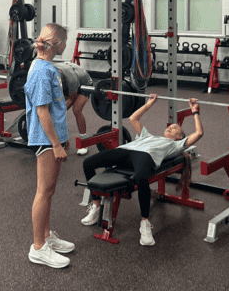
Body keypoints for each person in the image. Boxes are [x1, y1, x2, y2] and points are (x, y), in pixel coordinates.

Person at [80, 94, 202, 246]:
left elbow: (199, 133)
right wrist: (149, 103)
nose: (171, 126)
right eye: (170, 126)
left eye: (175, 128)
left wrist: (195, 111)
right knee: (88, 163)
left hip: (145, 156)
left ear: (179, 137)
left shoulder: (175, 145)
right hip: (126, 150)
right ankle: (96, 206)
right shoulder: (147, 135)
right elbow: (133, 118)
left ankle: (144, 222)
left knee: (141, 177)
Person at [25, 23, 75, 269]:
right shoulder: (41, 71)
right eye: (65, 41)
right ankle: (38, 247)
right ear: (57, 44)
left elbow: (54, 106)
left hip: (53, 137)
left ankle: (46, 236)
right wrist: (56, 144)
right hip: (46, 139)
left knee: (49, 190)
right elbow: (42, 111)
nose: (67, 44)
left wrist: (61, 137)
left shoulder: (48, 67)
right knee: (43, 191)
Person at [54, 62, 93, 155]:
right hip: (68, 83)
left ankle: (84, 141)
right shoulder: (51, 72)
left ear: (62, 80)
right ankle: (62, 139)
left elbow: (72, 98)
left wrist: (62, 111)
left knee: (76, 109)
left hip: (84, 84)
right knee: (56, 109)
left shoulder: (71, 79)